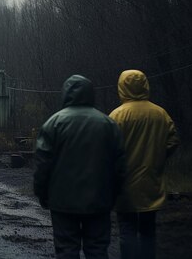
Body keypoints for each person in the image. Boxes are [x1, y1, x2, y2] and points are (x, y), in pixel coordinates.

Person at [34, 75, 125, 259]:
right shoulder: (108, 124)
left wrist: (42, 194)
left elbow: (43, 164)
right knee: (98, 249)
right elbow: (120, 165)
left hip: (63, 202)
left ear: (65, 94)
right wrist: (113, 195)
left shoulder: (54, 123)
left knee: (67, 249)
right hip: (99, 200)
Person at [109, 70, 180, 259]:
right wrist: (158, 157)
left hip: (125, 185)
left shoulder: (117, 116)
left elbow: (108, 148)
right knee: (148, 231)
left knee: (127, 230)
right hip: (151, 182)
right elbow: (172, 141)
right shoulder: (159, 113)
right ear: (145, 85)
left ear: (122, 86)